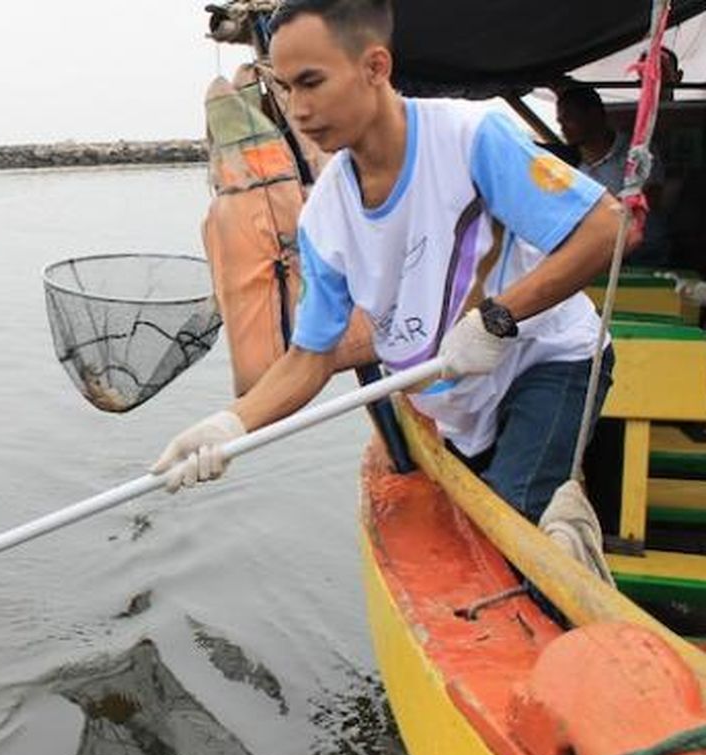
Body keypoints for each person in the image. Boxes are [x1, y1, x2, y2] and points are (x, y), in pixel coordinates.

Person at [151, 0, 620, 576]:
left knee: (508, 526)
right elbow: (310, 358)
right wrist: (229, 425)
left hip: (546, 361)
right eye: (284, 88)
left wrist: (497, 317)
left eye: (312, 83)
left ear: (375, 67)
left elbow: (604, 228)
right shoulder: (325, 217)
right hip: (453, 393)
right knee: (470, 532)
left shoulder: (470, 138)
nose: (298, 110)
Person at [555, 83, 669, 263]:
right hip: (601, 253)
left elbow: (651, 198)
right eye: (560, 122)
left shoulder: (637, 152)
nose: (563, 128)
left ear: (593, 115)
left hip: (644, 251)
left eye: (569, 119)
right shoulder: (571, 165)